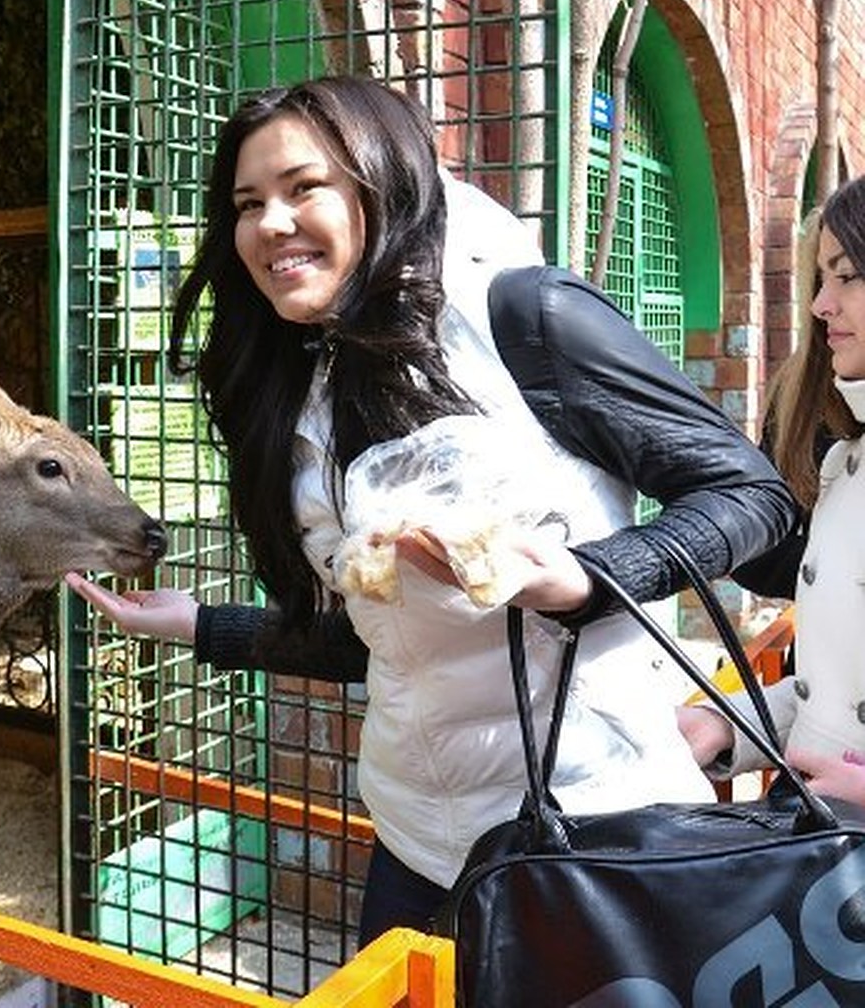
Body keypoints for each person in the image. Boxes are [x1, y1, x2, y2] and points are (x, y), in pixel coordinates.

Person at [67, 75, 799, 945]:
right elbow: (391, 644)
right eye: (248, 203)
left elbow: (757, 502)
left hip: (590, 827)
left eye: (306, 188)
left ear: (384, 181)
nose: (271, 224)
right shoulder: (304, 385)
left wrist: (586, 581)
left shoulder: (526, 315)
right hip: (417, 847)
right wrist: (201, 626)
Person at [678, 176, 865, 804]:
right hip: (828, 850)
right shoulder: (843, 463)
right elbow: (832, 695)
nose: (820, 306)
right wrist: (729, 725)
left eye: (846, 277)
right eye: (821, 280)